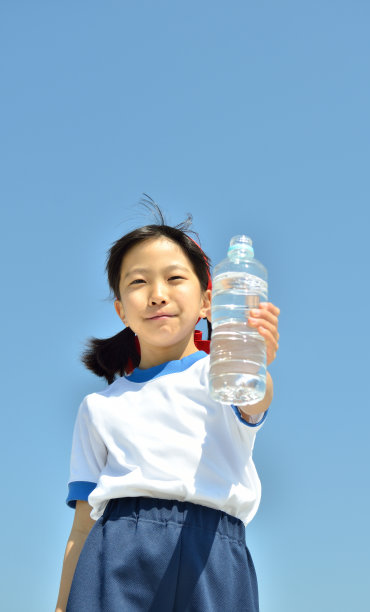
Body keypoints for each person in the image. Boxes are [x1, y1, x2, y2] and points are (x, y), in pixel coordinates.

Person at [55, 198, 280, 612]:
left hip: (213, 553)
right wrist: (62, 604)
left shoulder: (223, 374)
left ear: (208, 302)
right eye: (138, 283)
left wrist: (255, 362)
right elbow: (83, 524)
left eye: (175, 278)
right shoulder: (99, 407)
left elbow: (255, 399)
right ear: (122, 310)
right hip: (117, 551)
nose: (157, 295)